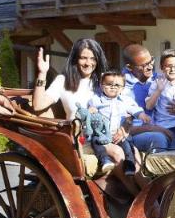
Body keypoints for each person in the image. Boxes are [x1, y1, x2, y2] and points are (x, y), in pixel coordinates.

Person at [31, 38, 129, 167]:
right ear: (75, 59)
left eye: (93, 58)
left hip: (112, 135)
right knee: (117, 153)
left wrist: (125, 128)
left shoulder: (105, 81)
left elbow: (127, 107)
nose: (88, 63)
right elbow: (38, 105)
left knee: (135, 152)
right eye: (83, 58)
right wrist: (42, 73)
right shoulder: (63, 81)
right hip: (82, 139)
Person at [78, 71, 143, 176]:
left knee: (128, 147)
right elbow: (87, 116)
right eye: (109, 84)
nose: (113, 87)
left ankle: (130, 167)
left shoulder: (125, 101)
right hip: (101, 134)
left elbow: (135, 110)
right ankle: (105, 160)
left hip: (117, 134)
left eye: (117, 85)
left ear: (123, 88)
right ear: (101, 85)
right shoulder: (95, 100)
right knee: (98, 143)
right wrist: (90, 111)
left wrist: (141, 115)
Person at [119, 43, 173, 155]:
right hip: (134, 134)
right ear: (129, 67)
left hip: (163, 126)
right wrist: (155, 128)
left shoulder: (158, 79)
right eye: (143, 65)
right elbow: (124, 128)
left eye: (151, 61)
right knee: (159, 139)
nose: (150, 67)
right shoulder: (120, 87)